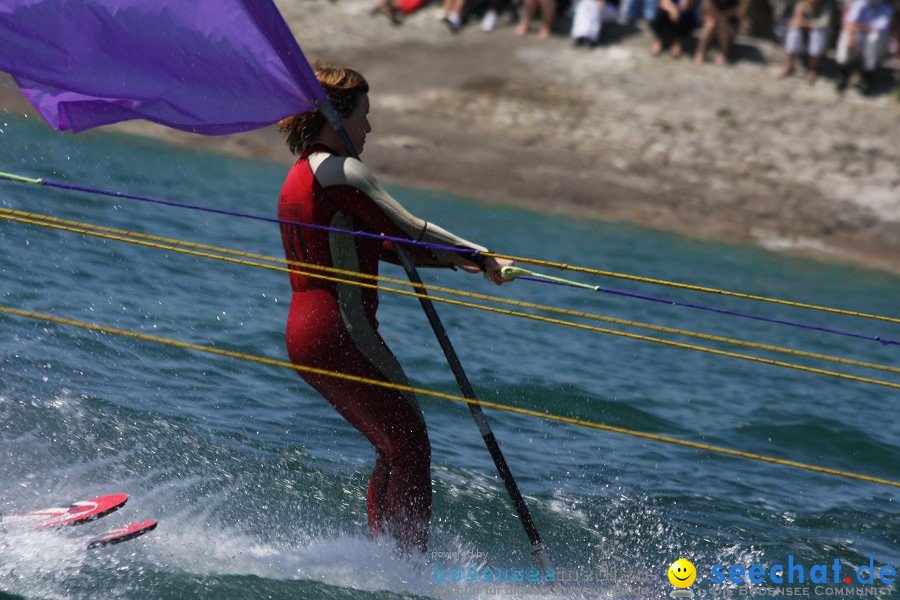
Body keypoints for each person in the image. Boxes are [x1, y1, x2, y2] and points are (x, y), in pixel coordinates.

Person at [277, 66, 514, 554]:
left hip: (303, 336)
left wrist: (454, 261)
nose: (370, 128)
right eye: (364, 115)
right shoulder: (342, 170)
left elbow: (384, 245)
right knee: (410, 448)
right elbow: (410, 228)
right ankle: (407, 568)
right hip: (343, 331)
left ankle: (381, 560)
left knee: (394, 447)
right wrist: (481, 253)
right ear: (334, 117)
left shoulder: (299, 175)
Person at [834, 0, 895, 93]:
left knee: (874, 37)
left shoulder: (885, 8)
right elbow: (851, 22)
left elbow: (880, 27)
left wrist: (860, 27)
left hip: (875, 46)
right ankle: (843, 74)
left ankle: (867, 77)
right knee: (846, 34)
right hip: (858, 40)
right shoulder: (859, 4)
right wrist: (851, 37)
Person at [780, 0, 835, 81]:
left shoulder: (826, 5)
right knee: (794, 32)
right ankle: (790, 65)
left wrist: (807, 24)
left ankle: (812, 69)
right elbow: (794, 21)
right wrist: (801, 11)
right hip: (803, 37)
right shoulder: (802, 4)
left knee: (816, 34)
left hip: (819, 39)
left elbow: (824, 23)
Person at [693, 0, 742, 65]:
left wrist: (719, 17)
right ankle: (699, 52)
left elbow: (732, 14)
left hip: (728, 27)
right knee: (709, 25)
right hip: (714, 23)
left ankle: (722, 53)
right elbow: (708, 9)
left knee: (722, 26)